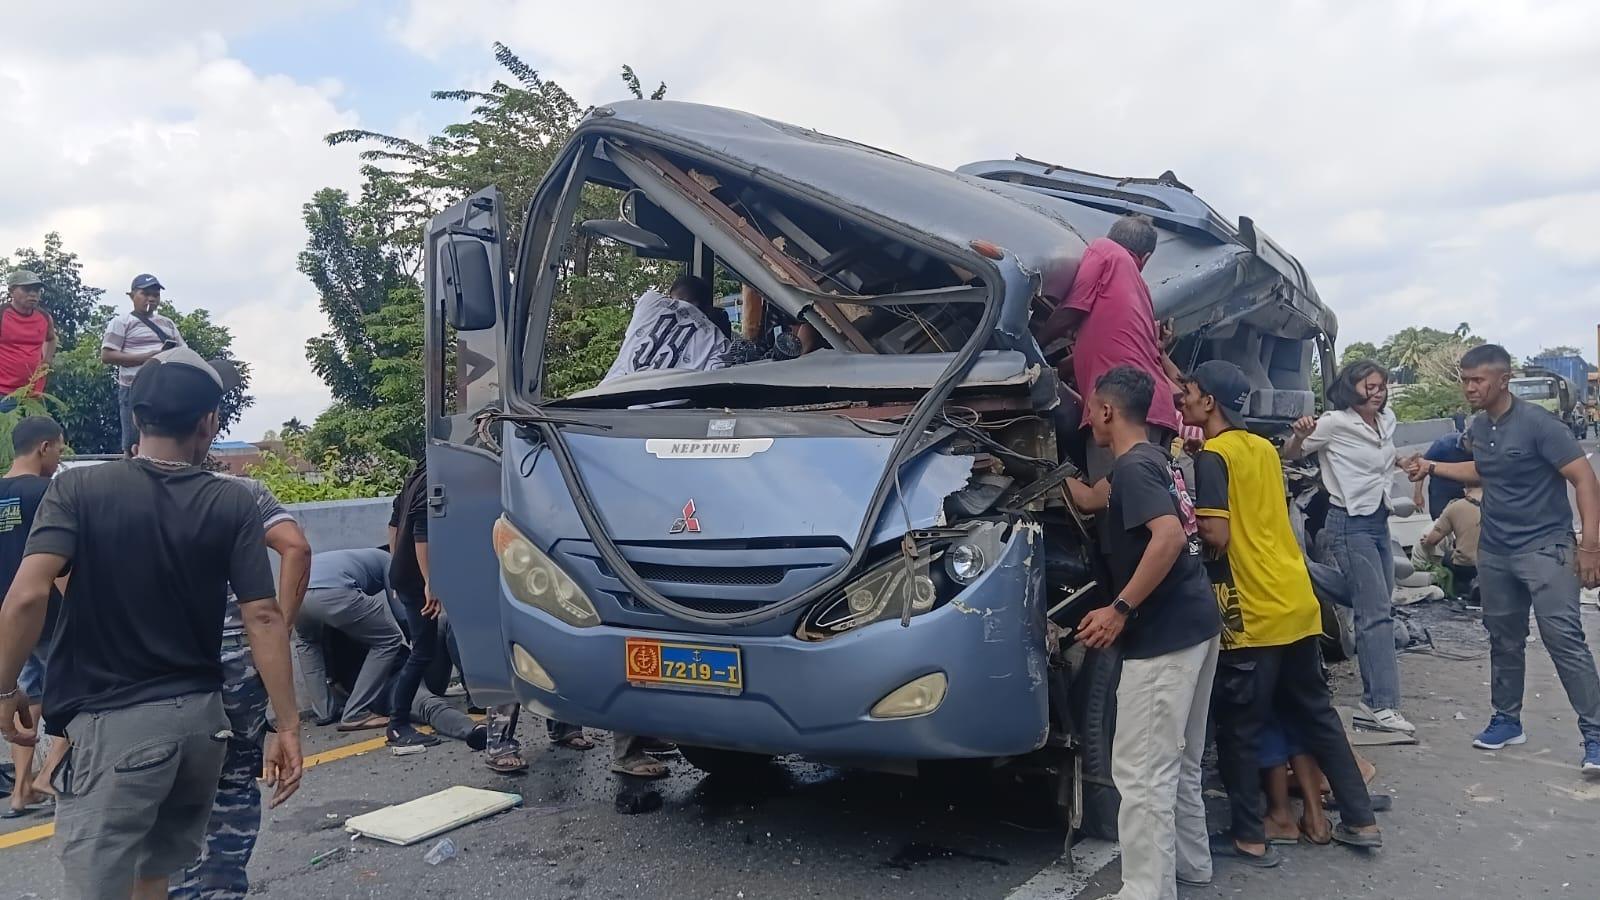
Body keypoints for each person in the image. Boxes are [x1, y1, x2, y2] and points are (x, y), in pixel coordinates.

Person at [0, 348, 301, 900]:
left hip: (117, 730)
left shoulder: (78, 490)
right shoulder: (232, 502)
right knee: (153, 878)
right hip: (202, 727)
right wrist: (287, 726)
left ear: (136, 418)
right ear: (209, 422)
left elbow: (26, 596)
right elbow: (263, 615)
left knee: (98, 885)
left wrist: (4, 689)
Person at [1182, 360, 1382, 861]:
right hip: (1296, 601)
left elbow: (1217, 534)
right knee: (1318, 716)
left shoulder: (1213, 456)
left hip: (1253, 610)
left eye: (1189, 391)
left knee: (1241, 728)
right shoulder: (1262, 450)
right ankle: (1360, 820)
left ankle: (1250, 834)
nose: (1182, 398)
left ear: (1209, 402)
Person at [1404, 344, 1600, 773]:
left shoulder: (1538, 425)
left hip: (1546, 548)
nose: (1469, 387)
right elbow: (1483, 469)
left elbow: (1585, 479)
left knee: (1564, 640)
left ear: (1503, 380)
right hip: (1497, 551)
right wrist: (1431, 468)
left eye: (1478, 380)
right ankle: (1507, 721)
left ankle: (1595, 735)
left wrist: (1590, 547)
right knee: (1503, 638)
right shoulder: (1479, 425)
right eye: (1465, 379)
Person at [1065, 366, 1221, 899]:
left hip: (1164, 636)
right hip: (1197, 625)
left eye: (1090, 408)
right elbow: (1088, 499)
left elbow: (1169, 538)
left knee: (1140, 771)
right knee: (1179, 760)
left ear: (1107, 411)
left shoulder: (1132, 469)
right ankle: (1193, 866)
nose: (1087, 418)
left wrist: (1119, 609)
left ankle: (1144, 891)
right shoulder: (1157, 458)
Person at [173, 470, 311, 900]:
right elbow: (297, 548)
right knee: (232, 780)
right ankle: (221, 888)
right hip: (237, 653)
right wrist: (280, 630)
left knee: (167, 787)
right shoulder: (241, 491)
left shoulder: (116, 490)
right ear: (208, 423)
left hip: (158, 660)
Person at [1283, 359, 1414, 735]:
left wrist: (1405, 463)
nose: (1377, 392)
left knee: (1374, 602)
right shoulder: (1334, 423)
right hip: (1348, 523)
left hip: (1378, 519)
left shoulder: (1386, 422)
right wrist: (1299, 434)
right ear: (1350, 388)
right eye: (1369, 386)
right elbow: (1292, 453)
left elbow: (1381, 463)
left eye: (1381, 385)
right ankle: (1380, 705)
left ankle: (1300, 572)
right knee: (1375, 615)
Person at [1036, 214, 1185, 484]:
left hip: (1122, 410)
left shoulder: (1105, 250)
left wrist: (1036, 343)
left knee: (1116, 506)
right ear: (1147, 257)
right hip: (1153, 410)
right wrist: (1057, 367)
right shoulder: (1141, 290)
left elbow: (1071, 309)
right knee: (1143, 502)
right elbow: (1107, 350)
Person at [0, 417, 64, 819]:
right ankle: (50, 775)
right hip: (49, 612)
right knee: (86, 689)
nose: (59, 458)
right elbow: (64, 560)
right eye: (59, 449)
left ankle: (20, 792)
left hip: (9, 619)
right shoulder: (46, 492)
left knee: (27, 698)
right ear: (43, 447)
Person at [295, 548, 405, 731]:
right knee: (388, 639)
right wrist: (417, 641)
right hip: (333, 591)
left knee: (307, 642)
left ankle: (324, 711)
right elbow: (400, 610)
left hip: (298, 593)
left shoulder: (348, 556)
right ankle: (357, 712)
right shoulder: (390, 559)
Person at [386, 463, 444, 750]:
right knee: (421, 650)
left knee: (428, 645)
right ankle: (397, 725)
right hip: (417, 577)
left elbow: (394, 524)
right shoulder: (435, 476)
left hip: (405, 573)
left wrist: (396, 567)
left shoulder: (415, 476)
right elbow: (423, 532)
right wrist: (429, 581)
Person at [100, 273, 185, 454]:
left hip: (164, 389)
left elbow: (183, 351)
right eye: (145, 294)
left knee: (165, 438)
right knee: (133, 443)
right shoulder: (121, 322)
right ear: (132, 296)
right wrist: (150, 357)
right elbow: (107, 355)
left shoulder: (167, 324)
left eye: (155, 295)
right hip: (134, 388)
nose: (151, 299)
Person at [603, 275, 730, 383]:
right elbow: (713, 383)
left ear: (671, 295)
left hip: (606, 397)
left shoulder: (649, 301)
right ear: (707, 306)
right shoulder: (718, 341)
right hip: (664, 410)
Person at [0, 271, 58, 410]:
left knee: (41, 431)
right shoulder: (2, 314)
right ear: (11, 291)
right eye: (26, 289)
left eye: (37, 290)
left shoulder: (44, 317)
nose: (33, 294)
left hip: (34, 393)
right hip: (3, 392)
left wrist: (46, 362)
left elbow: (51, 338)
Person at [1419, 486, 1482, 601]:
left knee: (1447, 557)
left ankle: (1459, 591)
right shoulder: (1497, 506)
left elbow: (1433, 541)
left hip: (1465, 565)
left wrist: (1426, 540)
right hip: (1491, 563)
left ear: (1465, 489)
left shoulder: (1454, 507)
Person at [1411, 426, 1473, 518]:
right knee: (1439, 520)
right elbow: (1422, 467)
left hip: (1466, 489)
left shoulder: (1482, 450)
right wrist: (1418, 495)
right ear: (1465, 439)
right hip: (1441, 489)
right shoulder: (1443, 444)